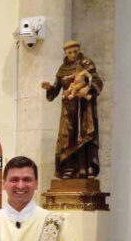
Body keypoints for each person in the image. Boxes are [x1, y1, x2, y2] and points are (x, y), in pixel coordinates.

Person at [42, 40, 102, 179]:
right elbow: (55, 90)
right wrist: (48, 88)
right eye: (70, 52)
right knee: (67, 136)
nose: (73, 55)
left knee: (84, 134)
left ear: (79, 50)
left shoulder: (86, 63)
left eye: (75, 51)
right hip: (69, 109)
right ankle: (68, 167)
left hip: (84, 107)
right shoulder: (62, 68)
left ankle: (87, 167)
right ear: (65, 53)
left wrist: (88, 88)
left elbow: (97, 81)